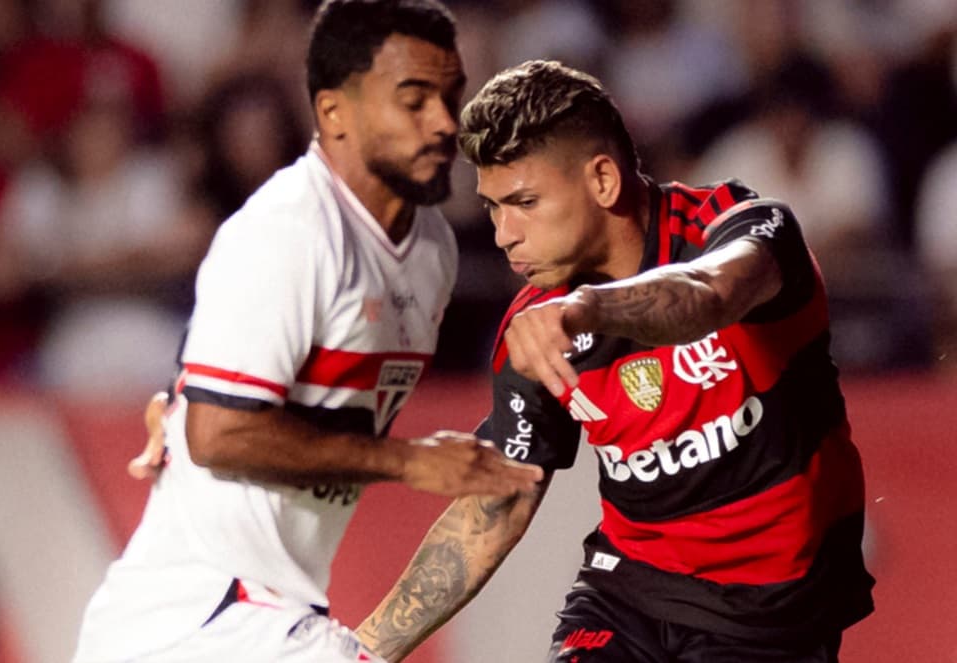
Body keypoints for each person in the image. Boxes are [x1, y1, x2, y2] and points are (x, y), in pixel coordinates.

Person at [356, 60, 874, 663]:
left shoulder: (742, 231)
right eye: (494, 207)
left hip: (773, 618)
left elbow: (708, 299)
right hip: (627, 597)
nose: (503, 234)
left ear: (602, 179)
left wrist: (585, 311)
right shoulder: (536, 324)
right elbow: (493, 506)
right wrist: (361, 651)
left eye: (524, 201)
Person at [70, 3, 543, 662]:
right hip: (202, 617)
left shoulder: (434, 250)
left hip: (270, 610)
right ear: (334, 114)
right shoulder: (288, 232)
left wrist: (178, 400)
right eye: (413, 100)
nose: (442, 122)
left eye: (450, 95)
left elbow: (225, 377)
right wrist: (409, 461)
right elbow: (218, 433)